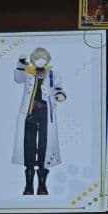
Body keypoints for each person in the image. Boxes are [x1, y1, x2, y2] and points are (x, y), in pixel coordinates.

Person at [13, 48, 66, 196]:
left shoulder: (53, 74)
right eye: (37, 59)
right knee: (28, 143)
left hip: (45, 111)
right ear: (33, 60)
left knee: (45, 143)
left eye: (43, 59)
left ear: (47, 60)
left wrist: (60, 95)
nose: (40, 61)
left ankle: (42, 184)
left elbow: (58, 88)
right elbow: (18, 78)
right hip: (29, 111)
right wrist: (21, 63)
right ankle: (29, 184)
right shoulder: (28, 73)